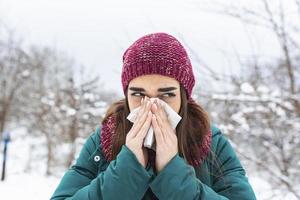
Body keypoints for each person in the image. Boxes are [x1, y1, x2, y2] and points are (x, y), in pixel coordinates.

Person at [51, 32, 256, 200]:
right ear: (126, 94)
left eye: (166, 94)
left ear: (183, 96)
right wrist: (127, 169)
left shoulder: (209, 141)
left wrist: (173, 173)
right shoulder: (105, 138)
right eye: (139, 94)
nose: (151, 106)